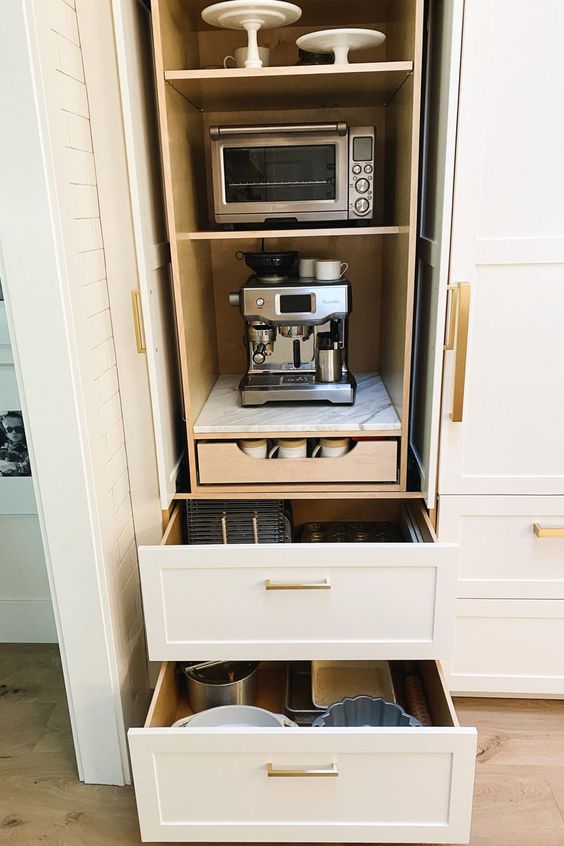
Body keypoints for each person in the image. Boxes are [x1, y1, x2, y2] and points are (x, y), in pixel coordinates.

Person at [0, 410, 30, 476]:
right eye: (9, 429)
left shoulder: (29, 447)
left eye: (18, 429)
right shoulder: (4, 447)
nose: (14, 432)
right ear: (6, 432)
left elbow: (29, 467)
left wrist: (11, 466)